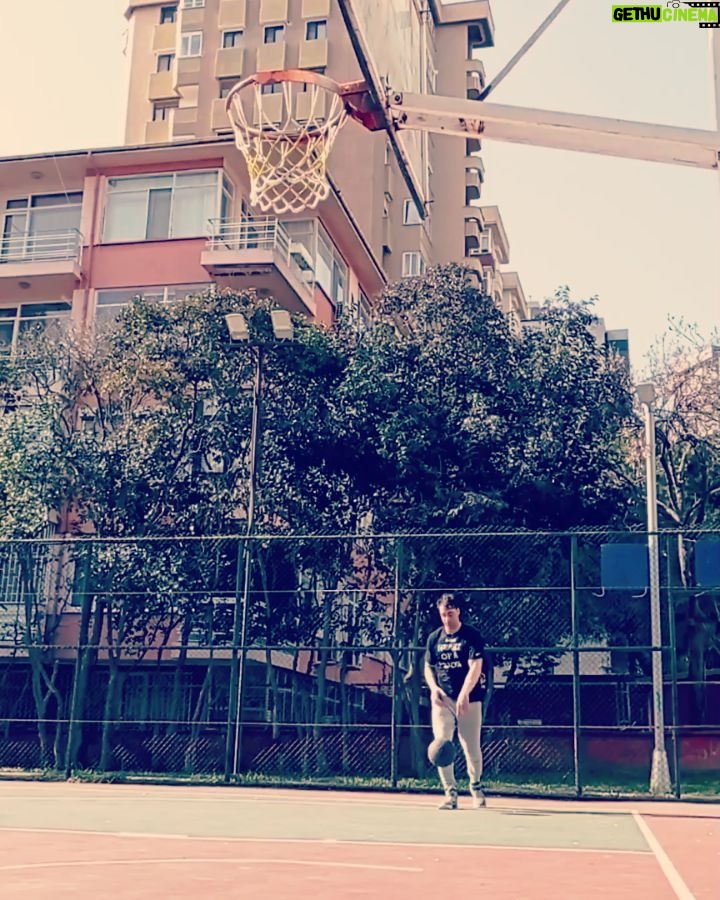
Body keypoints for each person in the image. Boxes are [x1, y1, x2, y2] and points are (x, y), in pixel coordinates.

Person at [424, 592, 487, 810]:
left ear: (458, 611)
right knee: (442, 745)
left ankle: (476, 786)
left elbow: (476, 667)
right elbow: (428, 667)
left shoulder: (471, 636)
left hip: (470, 700)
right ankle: (450, 793)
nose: (446, 619)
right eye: (443, 614)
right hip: (443, 701)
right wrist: (434, 689)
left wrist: (464, 694)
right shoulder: (434, 638)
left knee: (471, 748)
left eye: (450, 614)